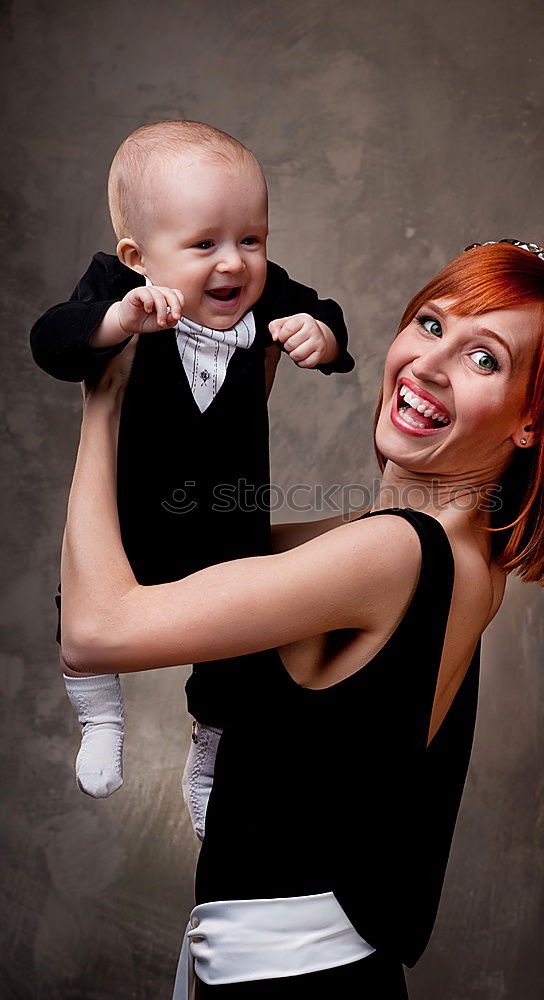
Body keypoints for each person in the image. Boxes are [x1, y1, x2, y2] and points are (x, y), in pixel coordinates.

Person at [59, 239, 544, 997]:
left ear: (532, 421)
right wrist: (230, 381)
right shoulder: (441, 548)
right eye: (429, 324)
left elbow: (96, 631)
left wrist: (106, 396)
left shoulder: (391, 554)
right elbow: (179, 548)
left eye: (483, 359)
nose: (427, 365)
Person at [30, 120, 353, 818]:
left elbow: (325, 311)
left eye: (251, 239)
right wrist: (115, 321)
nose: (233, 263)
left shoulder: (267, 296)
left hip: (227, 512)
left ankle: (211, 739)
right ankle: (100, 716)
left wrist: (319, 337)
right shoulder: (120, 288)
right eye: (204, 244)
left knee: (240, 629)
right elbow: (51, 339)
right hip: (131, 504)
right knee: (84, 603)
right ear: (137, 255)